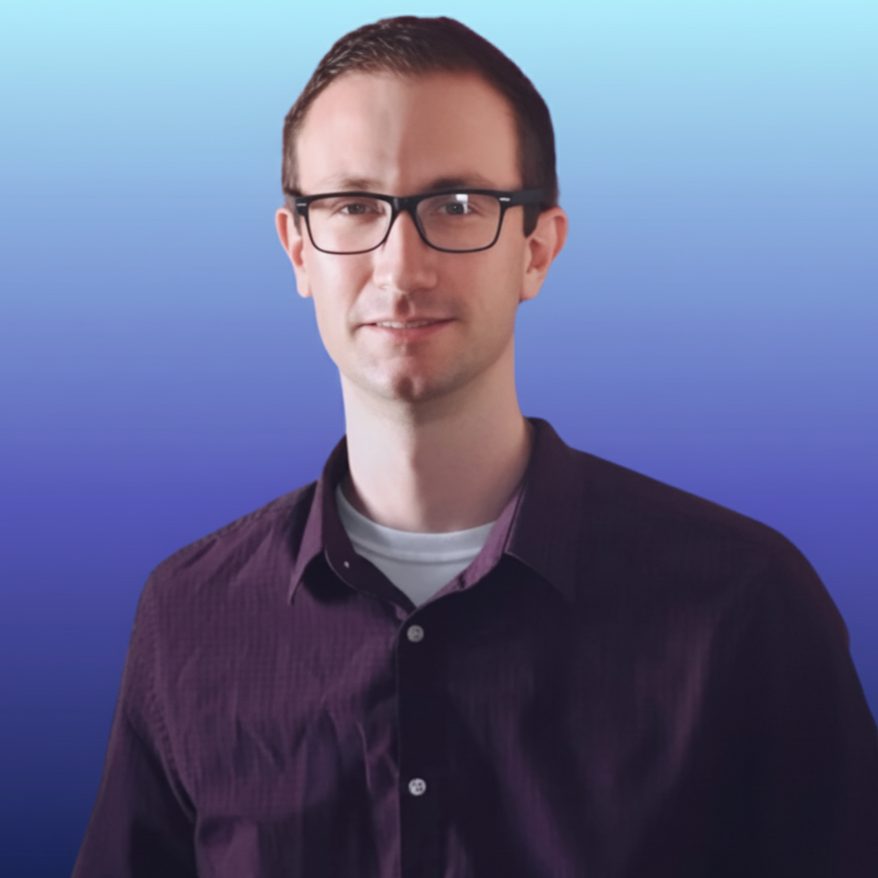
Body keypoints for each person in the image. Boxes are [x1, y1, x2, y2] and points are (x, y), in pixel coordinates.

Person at [72, 15, 878, 878]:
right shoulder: (189, 619)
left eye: (456, 206)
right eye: (352, 206)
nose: (401, 266)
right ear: (298, 248)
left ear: (537, 249)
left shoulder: (744, 605)